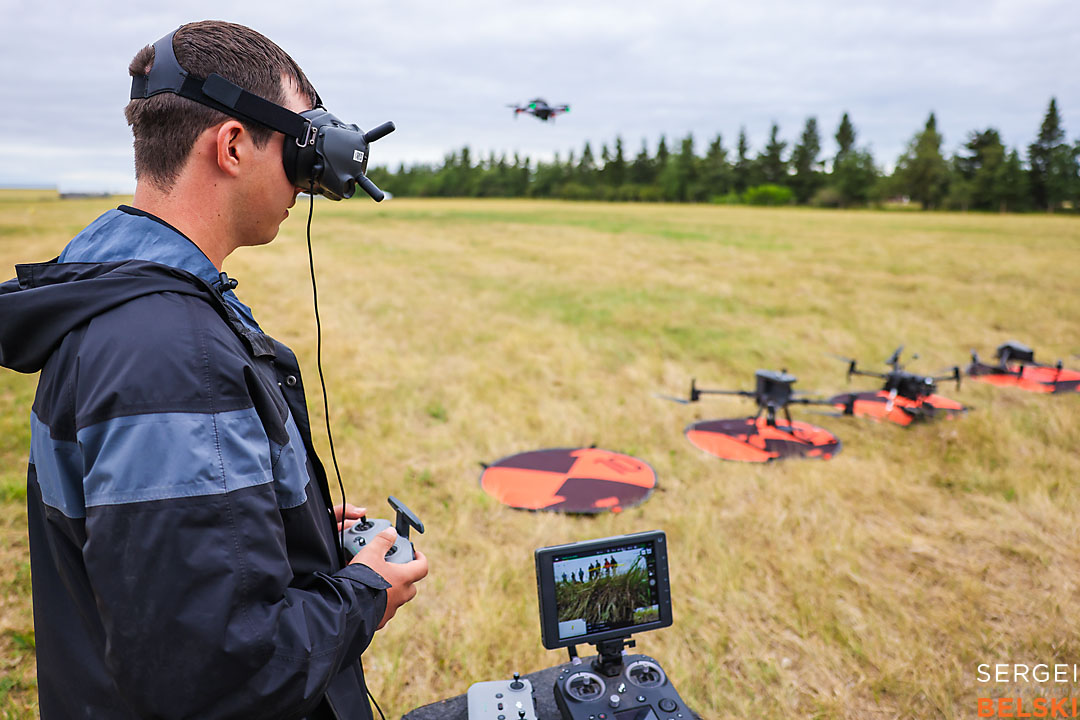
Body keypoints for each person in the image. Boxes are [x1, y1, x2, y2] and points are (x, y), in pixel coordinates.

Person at [0, 20, 427, 720]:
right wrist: (363, 593)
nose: (305, 179)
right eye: (297, 148)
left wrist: (290, 524)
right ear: (231, 145)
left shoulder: (120, 300)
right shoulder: (171, 355)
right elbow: (214, 677)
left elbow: (143, 556)